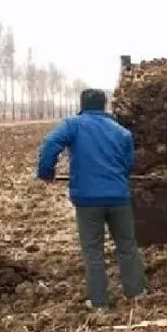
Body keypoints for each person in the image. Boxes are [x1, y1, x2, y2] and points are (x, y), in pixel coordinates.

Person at [37, 89, 145, 309]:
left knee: (93, 250)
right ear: (104, 105)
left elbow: (50, 144)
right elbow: (128, 165)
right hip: (119, 198)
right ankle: (135, 293)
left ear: (82, 104)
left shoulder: (73, 125)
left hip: (87, 200)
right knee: (126, 246)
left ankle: (99, 302)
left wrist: (46, 172)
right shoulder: (122, 132)